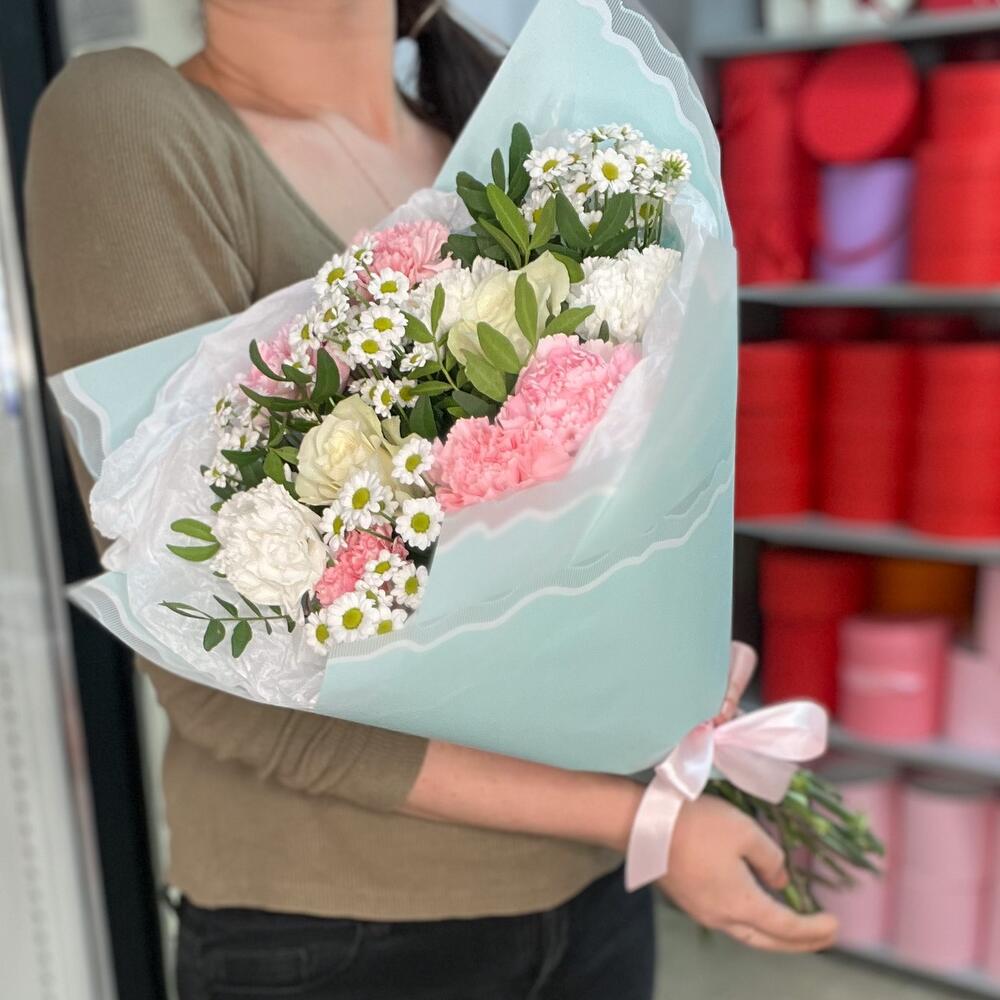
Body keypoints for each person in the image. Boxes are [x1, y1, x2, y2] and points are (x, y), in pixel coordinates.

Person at [25, 2, 838, 997]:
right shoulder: (129, 121)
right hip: (350, 936)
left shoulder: (523, 124)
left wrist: (670, 659)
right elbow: (213, 668)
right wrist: (642, 820)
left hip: (597, 894)